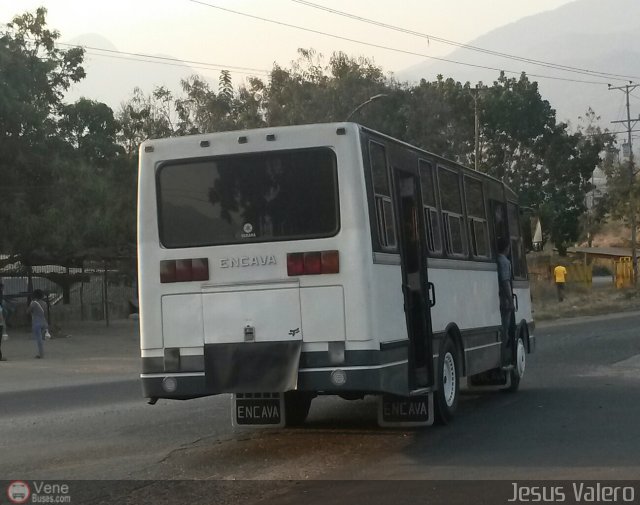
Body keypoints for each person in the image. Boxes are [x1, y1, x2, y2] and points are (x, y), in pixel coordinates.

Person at [497, 238, 515, 365]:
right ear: (506, 248)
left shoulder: (495, 259)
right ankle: (503, 359)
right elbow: (505, 282)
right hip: (503, 301)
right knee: (505, 330)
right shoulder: (504, 261)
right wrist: (511, 300)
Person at [27, 289, 49, 359]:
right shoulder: (45, 303)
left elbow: (27, 311)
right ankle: (40, 353)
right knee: (41, 339)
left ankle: (41, 354)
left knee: (39, 339)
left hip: (36, 322)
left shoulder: (34, 303)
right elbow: (44, 313)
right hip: (44, 322)